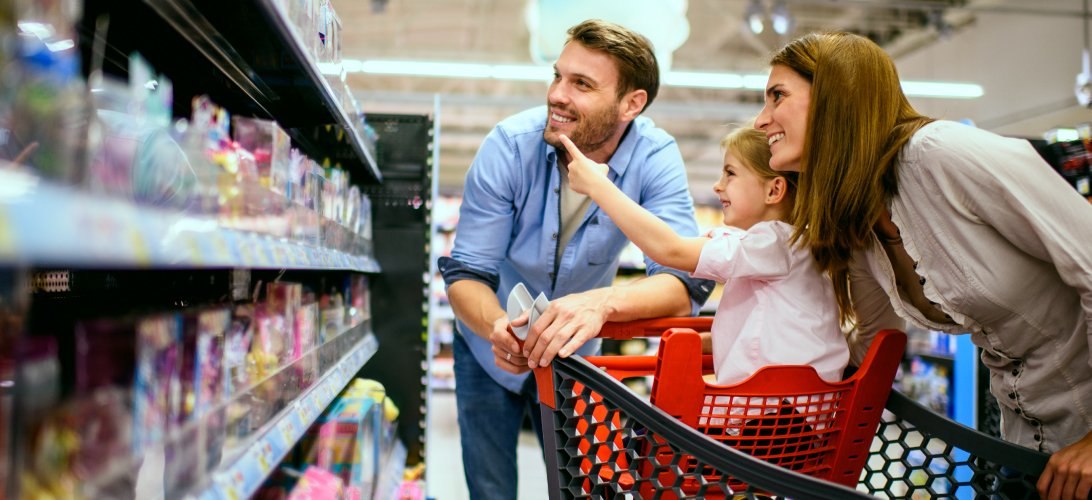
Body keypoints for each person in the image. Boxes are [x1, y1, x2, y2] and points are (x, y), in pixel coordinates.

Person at [754, 31, 1092, 500]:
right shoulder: (861, 220)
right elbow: (872, 343)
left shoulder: (941, 154)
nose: (760, 120)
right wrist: (755, 364)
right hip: (1028, 448)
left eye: (777, 96)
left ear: (836, 97)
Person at [437, 19, 713, 499]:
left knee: (580, 488)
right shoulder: (508, 147)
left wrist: (601, 305)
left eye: (581, 84)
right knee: (489, 488)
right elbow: (466, 273)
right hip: (487, 347)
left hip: (579, 358)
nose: (557, 95)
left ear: (632, 103)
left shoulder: (655, 157)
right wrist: (500, 327)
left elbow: (682, 283)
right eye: (558, 76)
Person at [561, 126, 847, 386]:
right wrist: (705, 342)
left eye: (730, 173)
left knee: (654, 433)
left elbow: (670, 250)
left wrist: (599, 188)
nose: (717, 185)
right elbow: (766, 332)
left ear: (774, 190)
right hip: (792, 411)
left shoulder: (775, 242)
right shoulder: (788, 247)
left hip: (773, 417)